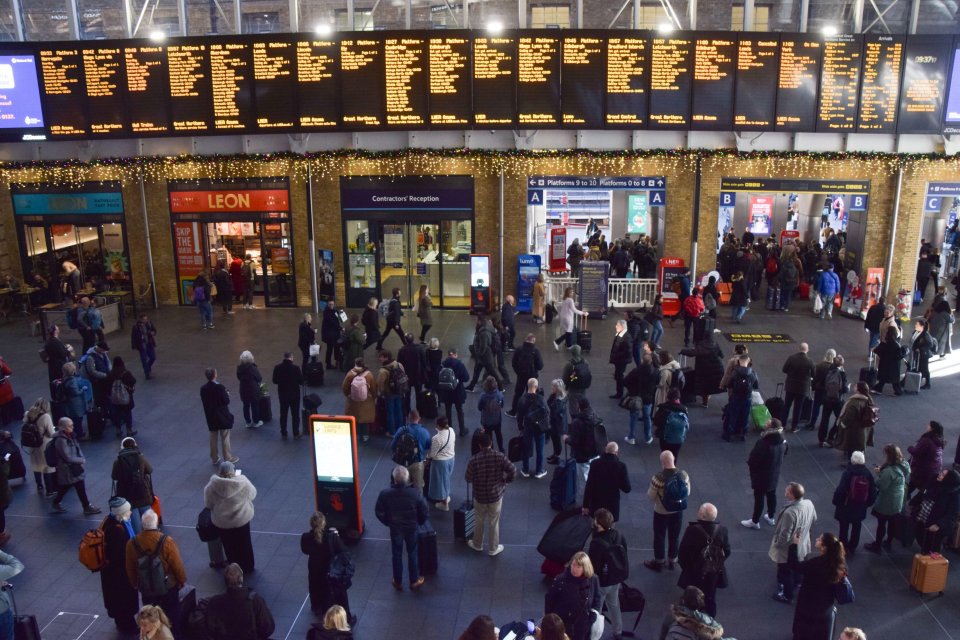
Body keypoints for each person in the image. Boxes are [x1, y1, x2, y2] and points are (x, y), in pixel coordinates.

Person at [375, 465, 429, 590]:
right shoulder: (415, 493)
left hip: (395, 528)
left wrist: (388, 522)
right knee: (412, 552)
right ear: (408, 478)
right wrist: (419, 522)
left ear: (394, 479)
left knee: (397, 553)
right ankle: (414, 580)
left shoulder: (385, 494)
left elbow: (378, 512)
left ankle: (397, 580)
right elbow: (425, 511)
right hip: (412, 527)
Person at [126, 510, 186, 620]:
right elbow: (177, 565)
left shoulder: (131, 544)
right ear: (156, 523)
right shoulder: (166, 541)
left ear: (142, 524)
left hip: (146, 587)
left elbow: (130, 567)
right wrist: (181, 580)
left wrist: (135, 583)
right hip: (168, 587)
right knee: (172, 616)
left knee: (150, 618)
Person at [786, 532, 847, 640]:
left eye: (819, 540)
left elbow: (794, 565)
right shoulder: (839, 564)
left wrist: (794, 545)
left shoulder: (815, 563)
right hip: (826, 604)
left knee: (804, 628)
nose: (816, 539)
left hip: (808, 601)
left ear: (824, 547)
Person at [465, 431, 516, 557]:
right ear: (491, 443)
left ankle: (477, 544)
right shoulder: (500, 456)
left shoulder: (474, 460)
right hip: (495, 495)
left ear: (479, 445)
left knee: (479, 519)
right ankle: (493, 548)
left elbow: (468, 478)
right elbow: (513, 470)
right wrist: (505, 481)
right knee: (494, 521)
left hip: (480, 495)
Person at [677, 503, 731, 617]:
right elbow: (727, 551)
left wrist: (687, 568)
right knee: (711, 597)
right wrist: (716, 563)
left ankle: (691, 618)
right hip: (713, 573)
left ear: (702, 515)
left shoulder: (692, 530)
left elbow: (682, 553)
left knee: (692, 597)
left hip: (695, 571)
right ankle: (710, 621)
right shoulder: (722, 530)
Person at [204, 460, 257, 573]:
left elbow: (208, 504)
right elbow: (253, 494)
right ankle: (248, 566)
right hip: (241, 520)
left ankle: (234, 568)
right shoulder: (242, 482)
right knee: (245, 544)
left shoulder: (211, 486)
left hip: (222, 523)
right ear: (232, 472)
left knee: (229, 546)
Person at [769, 482, 818, 604]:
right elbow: (814, 519)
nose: (785, 491)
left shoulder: (790, 513)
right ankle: (797, 582)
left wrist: (778, 544)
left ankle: (787, 595)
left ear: (791, 494)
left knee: (786, 571)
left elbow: (785, 534)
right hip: (803, 543)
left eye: (787, 490)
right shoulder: (809, 504)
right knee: (798, 566)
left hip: (788, 548)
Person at [645, 450, 691, 572]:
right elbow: (688, 492)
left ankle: (659, 561)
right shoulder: (684, 475)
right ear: (673, 459)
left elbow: (650, 496)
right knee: (674, 535)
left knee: (659, 536)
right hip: (678, 511)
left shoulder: (658, 478)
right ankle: (673, 560)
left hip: (661, 511)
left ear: (662, 462)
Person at [584, 509, 627, 640]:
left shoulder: (597, 543)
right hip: (616, 578)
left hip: (602, 582)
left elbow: (593, 565)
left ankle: (593, 634)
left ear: (598, 524)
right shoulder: (619, 535)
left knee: (596, 608)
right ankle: (618, 631)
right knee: (614, 604)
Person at [204, 563, 276, 640]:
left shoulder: (215, 602)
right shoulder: (255, 601)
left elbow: (209, 629)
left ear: (225, 581)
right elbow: (268, 628)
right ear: (241, 579)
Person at [301, 512, 353, 618]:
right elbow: (343, 550)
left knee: (315, 586)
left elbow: (305, 550)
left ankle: (317, 607)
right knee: (330, 588)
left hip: (314, 567)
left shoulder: (305, 537)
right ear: (324, 523)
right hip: (329, 567)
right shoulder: (332, 537)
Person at [101, 497, 139, 634]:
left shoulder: (108, 522)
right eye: (128, 511)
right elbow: (122, 554)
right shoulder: (118, 530)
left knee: (117, 600)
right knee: (125, 600)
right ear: (121, 514)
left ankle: (121, 622)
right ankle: (128, 626)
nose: (130, 513)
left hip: (110, 573)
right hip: (120, 574)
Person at [742, 418, 788, 530]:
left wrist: (752, 467)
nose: (765, 424)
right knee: (772, 494)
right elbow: (785, 452)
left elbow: (754, 458)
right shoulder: (783, 441)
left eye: (767, 423)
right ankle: (771, 516)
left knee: (759, 498)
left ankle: (755, 521)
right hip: (774, 473)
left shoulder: (764, 442)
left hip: (761, 475)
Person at [544, 551, 601, 640]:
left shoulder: (593, 579)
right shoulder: (561, 580)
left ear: (585, 568)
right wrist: (550, 620)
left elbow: (597, 598)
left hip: (583, 624)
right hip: (563, 623)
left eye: (578, 566)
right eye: (573, 565)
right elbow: (549, 599)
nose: (574, 569)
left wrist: (593, 614)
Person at [49, 417, 101, 515]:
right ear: (63, 428)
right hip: (67, 468)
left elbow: (77, 448)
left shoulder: (70, 436)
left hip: (72, 467)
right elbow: (67, 457)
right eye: (70, 426)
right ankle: (86, 506)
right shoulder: (61, 440)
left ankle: (57, 502)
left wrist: (80, 458)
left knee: (69, 486)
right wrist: (81, 460)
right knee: (77, 484)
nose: (72, 427)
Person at [864, 444, 910, 553]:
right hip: (898, 499)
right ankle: (888, 542)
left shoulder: (889, 472)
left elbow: (881, 485)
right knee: (892, 523)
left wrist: (879, 474)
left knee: (881, 524)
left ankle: (877, 545)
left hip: (887, 501)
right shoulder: (904, 465)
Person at [832, 451, 878, 554]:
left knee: (844, 527)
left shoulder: (848, 473)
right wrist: (867, 504)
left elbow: (841, 490)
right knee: (857, 526)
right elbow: (873, 492)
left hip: (846, 505)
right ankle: (853, 545)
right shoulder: (868, 473)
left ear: (852, 460)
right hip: (860, 506)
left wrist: (836, 502)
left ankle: (843, 547)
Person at [912, 468, 960, 555]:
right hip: (922, 517)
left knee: (932, 546)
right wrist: (913, 503)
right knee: (920, 536)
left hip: (935, 525)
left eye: (943, 475)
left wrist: (939, 524)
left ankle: (929, 560)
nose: (940, 475)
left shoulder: (954, 495)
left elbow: (952, 514)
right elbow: (923, 492)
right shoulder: (934, 481)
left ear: (949, 480)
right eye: (941, 473)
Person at [565, 396, 603, 505]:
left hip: (582, 456)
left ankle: (584, 505)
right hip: (595, 453)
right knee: (594, 478)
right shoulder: (595, 416)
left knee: (583, 482)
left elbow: (575, 441)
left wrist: (567, 439)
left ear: (579, 407)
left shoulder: (577, 422)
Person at [111, 437, 154, 532]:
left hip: (127, 496)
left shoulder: (118, 461)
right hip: (142, 492)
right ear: (134, 445)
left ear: (122, 447)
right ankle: (152, 539)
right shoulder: (140, 457)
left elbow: (114, 476)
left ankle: (137, 542)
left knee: (136, 527)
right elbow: (150, 470)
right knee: (149, 523)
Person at [582, 442, 631, 521]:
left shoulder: (595, 464)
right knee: (609, 526)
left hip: (596, 502)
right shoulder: (621, 466)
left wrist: (585, 505)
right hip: (611, 504)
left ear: (605, 450)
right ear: (616, 453)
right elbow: (627, 489)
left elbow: (589, 485)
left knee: (596, 525)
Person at [201, 367, 239, 465]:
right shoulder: (220, 388)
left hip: (210, 415)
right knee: (225, 436)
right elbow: (226, 401)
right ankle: (228, 457)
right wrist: (227, 394)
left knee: (213, 436)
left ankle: (214, 457)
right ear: (215, 375)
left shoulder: (203, 389)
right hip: (221, 415)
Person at [658, 586, 727, 640]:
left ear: (683, 600)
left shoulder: (671, 616)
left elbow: (663, 634)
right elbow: (717, 630)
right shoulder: (705, 620)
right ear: (699, 605)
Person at [21, 398, 56, 496]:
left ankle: (39, 485)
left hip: (32, 445)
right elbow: (51, 433)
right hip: (43, 445)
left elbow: (24, 423)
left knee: (36, 465)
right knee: (46, 467)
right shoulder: (45, 417)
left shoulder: (27, 414)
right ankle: (50, 490)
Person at [679, 333, 724, 408]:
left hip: (704, 368)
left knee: (704, 385)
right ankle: (706, 400)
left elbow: (692, 353)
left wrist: (683, 351)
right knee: (710, 384)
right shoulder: (715, 344)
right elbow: (722, 355)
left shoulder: (701, 346)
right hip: (716, 367)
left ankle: (705, 402)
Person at [391, 410, 432, 490]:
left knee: (403, 486)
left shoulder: (401, 430)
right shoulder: (424, 432)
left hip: (403, 462)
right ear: (419, 418)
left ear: (408, 418)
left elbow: (393, 446)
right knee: (418, 487)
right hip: (417, 462)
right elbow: (428, 446)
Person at [516, 378, 550, 479]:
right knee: (540, 449)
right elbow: (547, 412)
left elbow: (519, 415)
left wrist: (520, 427)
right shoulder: (540, 398)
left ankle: (525, 469)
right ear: (536, 386)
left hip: (527, 426)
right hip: (539, 427)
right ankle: (539, 471)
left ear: (527, 385)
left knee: (526, 448)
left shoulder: (522, 399)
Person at [623, 352, 659, 445]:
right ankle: (648, 437)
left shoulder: (636, 371)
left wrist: (632, 390)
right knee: (647, 417)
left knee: (633, 417)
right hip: (648, 398)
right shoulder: (655, 372)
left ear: (642, 361)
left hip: (636, 397)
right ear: (651, 361)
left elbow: (626, 381)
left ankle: (631, 437)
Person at [833, 382, 876, 459]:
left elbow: (849, 417)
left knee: (851, 446)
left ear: (859, 389)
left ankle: (852, 462)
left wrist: (842, 424)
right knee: (859, 445)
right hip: (863, 427)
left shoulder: (854, 402)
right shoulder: (869, 399)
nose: (854, 387)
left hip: (854, 429)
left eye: (856, 386)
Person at [780, 343, 814, 432]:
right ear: (807, 350)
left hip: (790, 386)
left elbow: (784, 369)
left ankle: (782, 425)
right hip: (802, 388)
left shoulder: (791, 358)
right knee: (798, 408)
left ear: (799, 349)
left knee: (787, 406)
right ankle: (794, 427)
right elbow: (814, 374)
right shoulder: (809, 361)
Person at [816, 356, 848, 447]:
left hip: (827, 399)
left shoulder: (827, 371)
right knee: (840, 418)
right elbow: (844, 389)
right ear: (842, 364)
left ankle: (821, 439)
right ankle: (831, 436)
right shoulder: (842, 373)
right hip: (838, 401)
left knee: (824, 419)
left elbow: (820, 384)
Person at [508, 334, 544, 417]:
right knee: (532, 394)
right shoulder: (535, 351)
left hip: (521, 376)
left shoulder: (519, 349)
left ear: (525, 339)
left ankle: (514, 411)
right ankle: (531, 411)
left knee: (518, 393)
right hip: (532, 377)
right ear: (533, 340)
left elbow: (514, 363)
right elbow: (540, 366)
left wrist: (518, 372)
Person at [342, 358, 376, 442]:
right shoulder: (369, 375)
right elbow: (374, 388)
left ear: (355, 364)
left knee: (354, 418)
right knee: (365, 419)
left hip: (353, 400)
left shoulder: (350, 374)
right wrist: (373, 397)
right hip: (366, 401)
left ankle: (356, 435)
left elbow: (344, 387)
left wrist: (348, 395)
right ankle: (365, 435)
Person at [437, 349, 470, 437]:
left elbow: (438, 376)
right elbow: (466, 378)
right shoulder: (459, 364)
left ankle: (449, 430)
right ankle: (462, 430)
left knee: (448, 411)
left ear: (448, 355)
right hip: (457, 392)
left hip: (446, 392)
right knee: (459, 410)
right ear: (455, 354)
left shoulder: (443, 364)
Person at [907, 420, 945, 496]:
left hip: (922, 469)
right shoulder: (939, 440)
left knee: (913, 483)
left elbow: (916, 452)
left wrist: (910, 448)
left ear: (932, 429)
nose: (927, 426)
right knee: (921, 487)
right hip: (932, 470)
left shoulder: (927, 440)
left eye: (929, 425)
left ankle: (906, 497)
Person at [426, 416, 456, 510]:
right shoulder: (451, 431)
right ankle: (446, 496)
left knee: (440, 482)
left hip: (440, 462)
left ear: (438, 425)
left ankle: (444, 502)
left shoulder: (436, 438)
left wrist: (427, 457)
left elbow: (433, 454)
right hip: (451, 458)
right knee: (446, 479)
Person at [272, 352, 304, 440]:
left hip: (283, 394)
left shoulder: (277, 368)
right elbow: (301, 381)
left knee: (283, 413)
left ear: (284, 357)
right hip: (294, 395)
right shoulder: (296, 368)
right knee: (295, 414)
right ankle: (296, 432)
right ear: (291, 358)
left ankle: (284, 432)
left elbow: (274, 380)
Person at [652, 389, 689, 461]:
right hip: (678, 437)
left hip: (665, 437)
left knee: (665, 456)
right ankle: (673, 469)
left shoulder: (663, 408)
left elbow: (656, 422)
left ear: (668, 397)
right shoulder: (684, 409)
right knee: (675, 455)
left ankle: (666, 470)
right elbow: (686, 423)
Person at [376, 349, 407, 437]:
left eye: (381, 357)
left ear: (386, 358)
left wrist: (381, 393)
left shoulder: (383, 370)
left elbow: (380, 384)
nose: (379, 359)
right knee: (399, 410)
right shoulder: (398, 364)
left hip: (389, 393)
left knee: (390, 412)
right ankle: (401, 429)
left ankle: (392, 431)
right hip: (399, 391)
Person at [466, 316, 502, 391]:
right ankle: (471, 386)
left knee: (492, 372)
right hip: (483, 357)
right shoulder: (486, 327)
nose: (475, 321)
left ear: (480, 321)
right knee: (477, 371)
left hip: (484, 357)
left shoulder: (484, 332)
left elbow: (484, 345)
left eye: (476, 320)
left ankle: (500, 386)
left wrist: (479, 354)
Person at [806, 348, 837, 430]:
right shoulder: (835, 368)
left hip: (819, 389)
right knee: (826, 410)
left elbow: (815, 377)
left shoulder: (820, 365)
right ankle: (823, 425)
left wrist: (813, 386)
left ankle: (812, 423)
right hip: (829, 392)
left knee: (816, 406)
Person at [397, 334, 427, 416]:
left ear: (405, 340)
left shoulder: (402, 350)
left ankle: (407, 411)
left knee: (407, 395)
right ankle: (419, 410)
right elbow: (424, 362)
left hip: (407, 376)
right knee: (419, 394)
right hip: (418, 375)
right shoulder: (419, 349)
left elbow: (399, 364)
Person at [108, 356, 137, 438]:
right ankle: (129, 430)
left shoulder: (111, 374)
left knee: (117, 414)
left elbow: (107, 385)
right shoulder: (125, 373)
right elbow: (133, 381)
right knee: (128, 414)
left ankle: (118, 429)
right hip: (126, 398)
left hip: (115, 398)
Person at [61, 361, 92, 439]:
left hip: (70, 403)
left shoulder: (65, 379)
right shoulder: (72, 381)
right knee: (78, 419)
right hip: (75, 403)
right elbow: (76, 392)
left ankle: (77, 432)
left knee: (75, 419)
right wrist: (82, 389)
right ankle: (79, 433)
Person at [871, 325, 904, 396]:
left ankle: (880, 389)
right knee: (893, 379)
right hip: (894, 365)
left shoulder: (889, 343)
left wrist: (875, 350)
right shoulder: (896, 342)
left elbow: (882, 350)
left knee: (885, 377)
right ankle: (879, 389)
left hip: (887, 364)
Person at [236, 350, 264, 429]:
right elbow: (259, 378)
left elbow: (238, 377)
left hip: (243, 389)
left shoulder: (239, 368)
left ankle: (248, 422)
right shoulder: (252, 368)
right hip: (253, 390)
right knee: (254, 405)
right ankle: (256, 421)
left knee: (246, 405)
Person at [477, 375, 505, 453]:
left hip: (486, 420)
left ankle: (491, 450)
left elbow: (479, 408)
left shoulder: (483, 396)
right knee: (499, 434)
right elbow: (502, 405)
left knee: (489, 436)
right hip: (497, 419)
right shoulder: (499, 395)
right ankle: (501, 449)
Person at [83, 340, 112, 412]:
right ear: (99, 348)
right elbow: (92, 371)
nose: (105, 351)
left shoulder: (103, 353)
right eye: (104, 350)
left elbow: (108, 362)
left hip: (106, 380)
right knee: (101, 399)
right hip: (98, 383)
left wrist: (110, 371)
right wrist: (105, 375)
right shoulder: (90, 358)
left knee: (108, 397)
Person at [608, 319, 633, 399]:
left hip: (621, 361)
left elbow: (627, 351)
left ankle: (620, 393)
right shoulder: (620, 334)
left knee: (619, 376)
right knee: (618, 375)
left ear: (622, 326)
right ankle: (620, 391)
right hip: (618, 360)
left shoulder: (627, 337)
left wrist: (616, 355)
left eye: (617, 325)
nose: (615, 326)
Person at [546, 379, 569, 465]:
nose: (551, 387)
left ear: (557, 388)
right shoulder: (558, 397)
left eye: (553, 386)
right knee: (555, 440)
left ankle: (557, 456)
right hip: (557, 423)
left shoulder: (559, 401)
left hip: (557, 424)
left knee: (556, 441)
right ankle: (555, 454)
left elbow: (553, 410)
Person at [130, 313, 157, 379]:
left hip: (149, 343)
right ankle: (147, 373)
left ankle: (148, 366)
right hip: (142, 345)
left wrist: (153, 332)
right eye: (144, 319)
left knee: (153, 357)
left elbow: (154, 330)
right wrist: (134, 345)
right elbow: (133, 337)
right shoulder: (136, 327)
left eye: (146, 319)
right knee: (144, 359)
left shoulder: (149, 323)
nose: (145, 320)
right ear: (141, 319)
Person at [909, 318, 934, 389]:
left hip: (924, 355)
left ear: (922, 326)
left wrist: (920, 349)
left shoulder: (925, 334)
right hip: (917, 354)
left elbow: (930, 344)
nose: (915, 325)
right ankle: (910, 381)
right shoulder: (916, 332)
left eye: (917, 324)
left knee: (925, 369)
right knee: (918, 367)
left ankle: (927, 384)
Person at [321, 302, 343, 370]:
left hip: (335, 333)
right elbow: (332, 322)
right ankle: (328, 364)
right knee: (330, 349)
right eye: (330, 304)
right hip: (329, 334)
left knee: (337, 347)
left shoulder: (335, 311)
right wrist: (340, 328)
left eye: (333, 304)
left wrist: (342, 314)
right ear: (327, 305)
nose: (331, 305)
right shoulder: (326, 313)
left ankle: (337, 361)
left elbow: (341, 319)